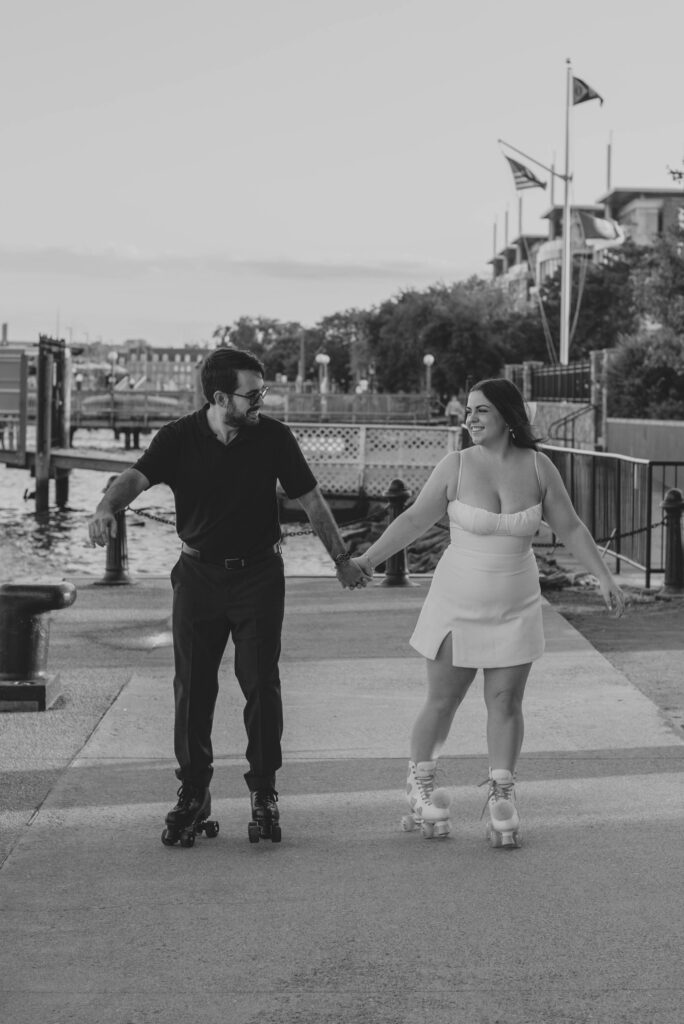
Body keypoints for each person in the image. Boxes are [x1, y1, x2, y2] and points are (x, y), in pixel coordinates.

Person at [88, 348, 368, 846]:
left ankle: (264, 789)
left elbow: (311, 500)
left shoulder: (274, 437)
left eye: (263, 391)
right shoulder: (176, 438)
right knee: (193, 687)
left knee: (261, 681)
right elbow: (135, 477)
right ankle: (193, 791)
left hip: (259, 575)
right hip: (197, 577)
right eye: (252, 393)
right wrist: (107, 506)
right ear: (220, 397)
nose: (262, 399)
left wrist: (341, 560)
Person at [353, 377, 624, 848]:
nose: (470, 419)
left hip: (516, 600)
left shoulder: (539, 466)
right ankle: (421, 785)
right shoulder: (455, 464)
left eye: (481, 410)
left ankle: (502, 792)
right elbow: (414, 519)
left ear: (507, 415)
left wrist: (604, 577)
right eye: (469, 411)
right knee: (443, 700)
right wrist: (366, 562)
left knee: (505, 702)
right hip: (457, 600)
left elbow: (572, 526)